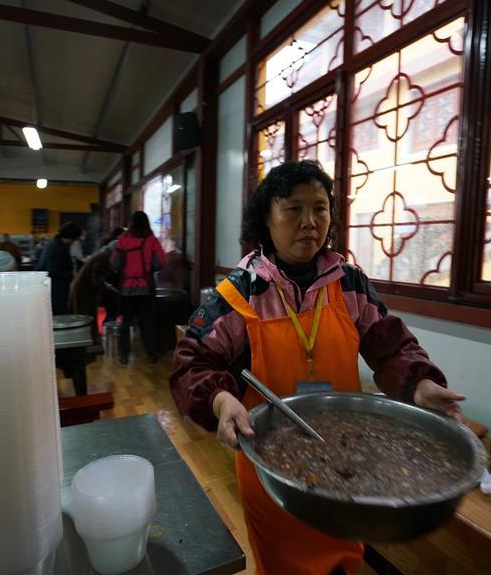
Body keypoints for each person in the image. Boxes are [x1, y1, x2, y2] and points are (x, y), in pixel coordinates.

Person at [169, 161, 465, 575]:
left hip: (345, 457)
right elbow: (192, 361)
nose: (309, 222)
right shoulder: (241, 290)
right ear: (266, 219)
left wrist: (419, 383)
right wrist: (220, 401)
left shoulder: (348, 282)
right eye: (293, 209)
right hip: (273, 466)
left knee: (344, 557)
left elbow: (390, 343)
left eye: (320, 208)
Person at [110, 212, 165, 365]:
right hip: (146, 288)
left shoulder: (123, 241)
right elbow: (160, 263)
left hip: (127, 289)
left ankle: (123, 356)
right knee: (147, 321)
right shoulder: (152, 240)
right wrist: (148, 269)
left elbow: (114, 264)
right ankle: (152, 354)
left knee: (126, 322)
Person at [36, 223, 82, 315]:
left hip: (54, 287)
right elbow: (52, 270)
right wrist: (71, 274)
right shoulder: (56, 247)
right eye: (75, 239)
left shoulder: (55, 244)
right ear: (70, 237)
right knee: (58, 315)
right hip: (55, 289)